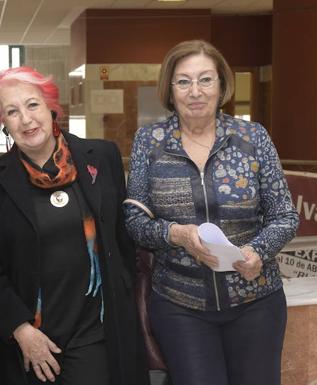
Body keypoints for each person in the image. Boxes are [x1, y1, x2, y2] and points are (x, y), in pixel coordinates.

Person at [124, 40, 299, 385]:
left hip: (256, 301)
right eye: (184, 81)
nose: (195, 91)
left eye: (205, 79)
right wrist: (176, 234)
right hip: (180, 305)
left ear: (222, 85)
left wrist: (257, 252)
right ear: (170, 90)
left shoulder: (252, 138)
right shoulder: (151, 141)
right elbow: (134, 221)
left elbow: (285, 215)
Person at [0, 66, 149, 385]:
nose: (26, 119)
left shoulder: (102, 155)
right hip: (31, 334)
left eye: (32, 105)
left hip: (94, 328)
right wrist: (20, 328)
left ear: (51, 107)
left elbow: (121, 241)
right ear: (3, 123)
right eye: (12, 112)